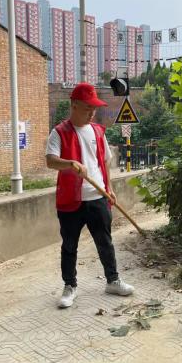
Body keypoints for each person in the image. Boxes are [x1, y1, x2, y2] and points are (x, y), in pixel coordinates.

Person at [45, 82, 134, 308]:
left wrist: (110, 188)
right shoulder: (59, 132)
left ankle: (112, 280)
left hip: (98, 196)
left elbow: (104, 161)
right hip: (70, 201)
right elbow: (50, 161)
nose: (92, 113)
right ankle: (70, 286)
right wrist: (70, 163)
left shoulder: (97, 131)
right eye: (87, 108)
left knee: (105, 242)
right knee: (69, 245)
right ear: (74, 105)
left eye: (94, 108)